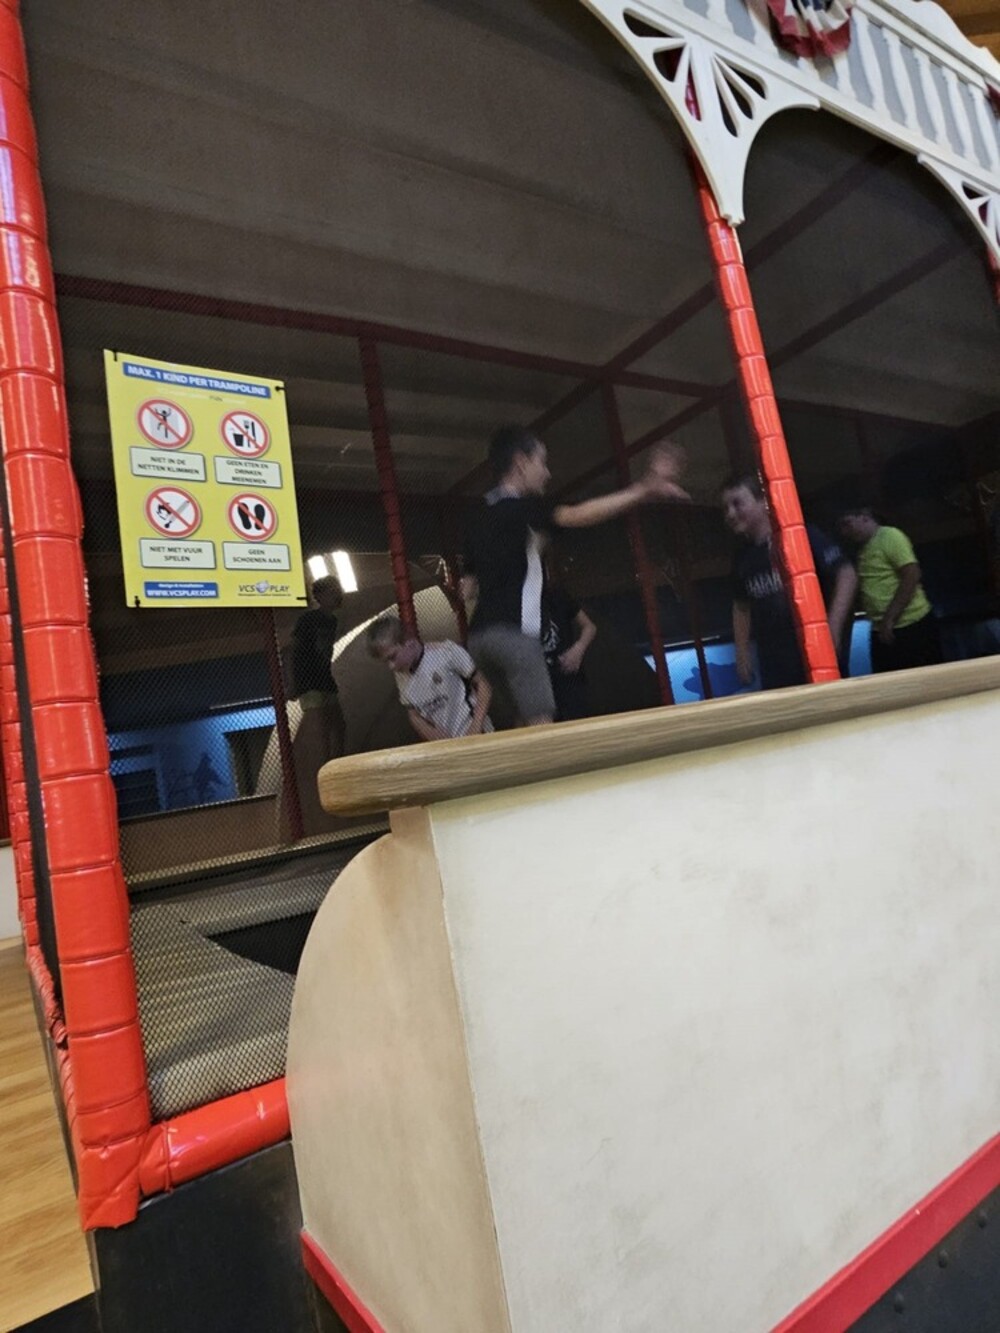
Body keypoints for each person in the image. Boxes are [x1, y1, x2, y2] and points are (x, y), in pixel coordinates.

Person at [461, 424, 688, 725]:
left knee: (522, 720)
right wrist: (644, 489)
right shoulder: (524, 508)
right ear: (521, 463)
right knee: (542, 723)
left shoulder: (479, 517)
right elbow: (578, 515)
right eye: (542, 462)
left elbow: (467, 587)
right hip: (514, 636)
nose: (547, 473)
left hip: (479, 640)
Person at [722, 473, 857, 690]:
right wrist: (742, 651)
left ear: (763, 502)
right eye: (726, 507)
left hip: (816, 654)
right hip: (775, 665)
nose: (730, 513)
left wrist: (833, 627)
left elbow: (846, 573)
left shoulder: (800, 536)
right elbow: (741, 606)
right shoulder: (743, 558)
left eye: (737, 504)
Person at [836, 506, 941, 673]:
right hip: (881, 628)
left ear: (864, 517)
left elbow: (911, 574)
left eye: (847, 524)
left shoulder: (890, 536)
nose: (845, 532)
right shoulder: (862, 548)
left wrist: (890, 618)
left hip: (910, 625)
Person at [367, 615, 493, 740]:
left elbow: (483, 684)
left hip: (479, 734)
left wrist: (476, 727)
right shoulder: (402, 676)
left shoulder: (445, 652)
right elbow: (413, 715)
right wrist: (436, 738)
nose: (391, 666)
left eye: (393, 657)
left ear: (408, 641)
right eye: (386, 662)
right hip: (450, 744)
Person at [286, 574, 346, 835]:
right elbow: (294, 650)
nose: (337, 595)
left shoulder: (331, 620)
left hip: (324, 679)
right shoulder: (308, 620)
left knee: (339, 725)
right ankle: (325, 779)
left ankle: (337, 768)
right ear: (320, 596)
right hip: (309, 681)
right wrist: (292, 683)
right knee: (321, 730)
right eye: (332, 591)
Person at [541, 559, 597, 722]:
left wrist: (578, 649)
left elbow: (589, 627)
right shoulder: (519, 605)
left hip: (569, 675)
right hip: (541, 682)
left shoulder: (557, 596)